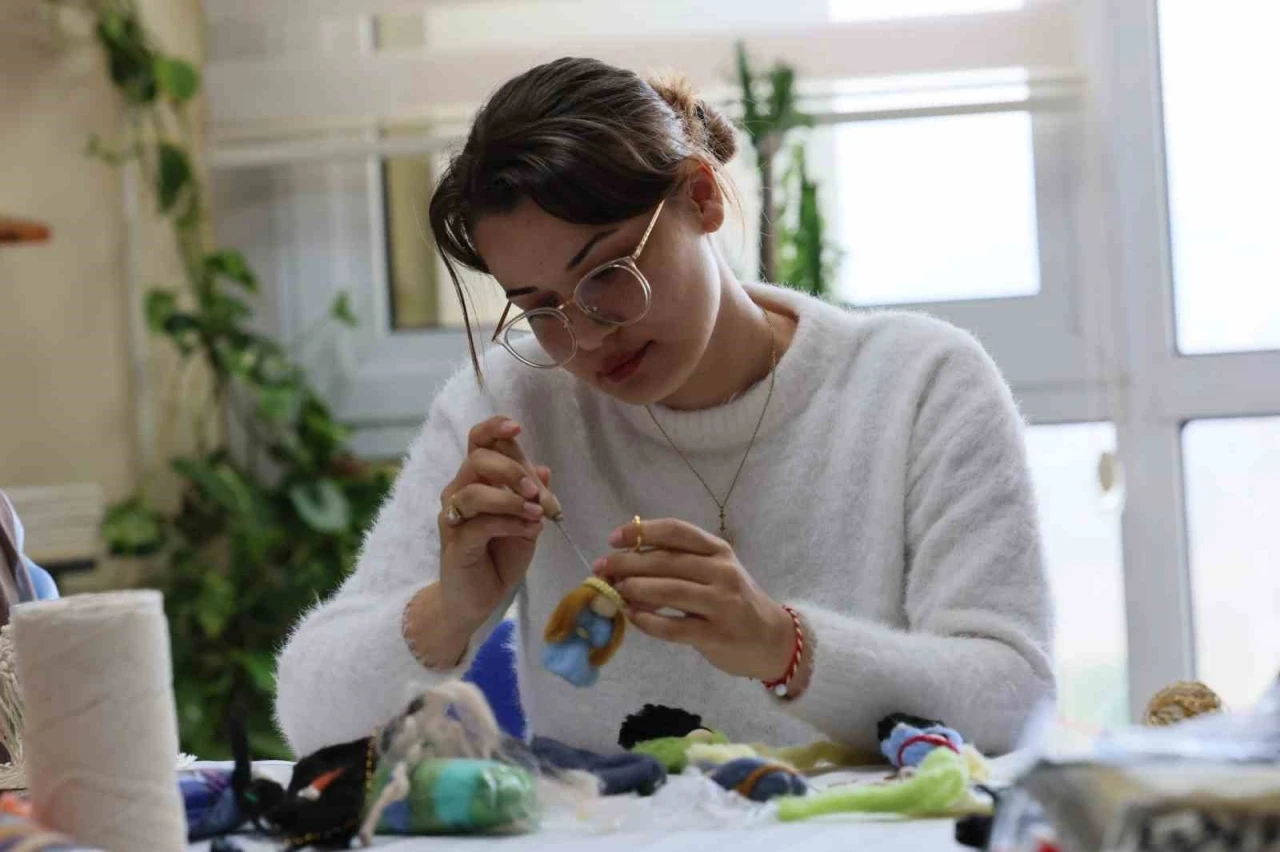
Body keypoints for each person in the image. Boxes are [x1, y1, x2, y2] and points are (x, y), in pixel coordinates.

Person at [275, 57, 1054, 759]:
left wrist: (783, 647)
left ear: (702, 197)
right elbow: (312, 720)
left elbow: (1014, 697)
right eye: (540, 308)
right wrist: (451, 607)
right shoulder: (512, 406)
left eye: (608, 272)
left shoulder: (919, 385)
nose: (585, 338)